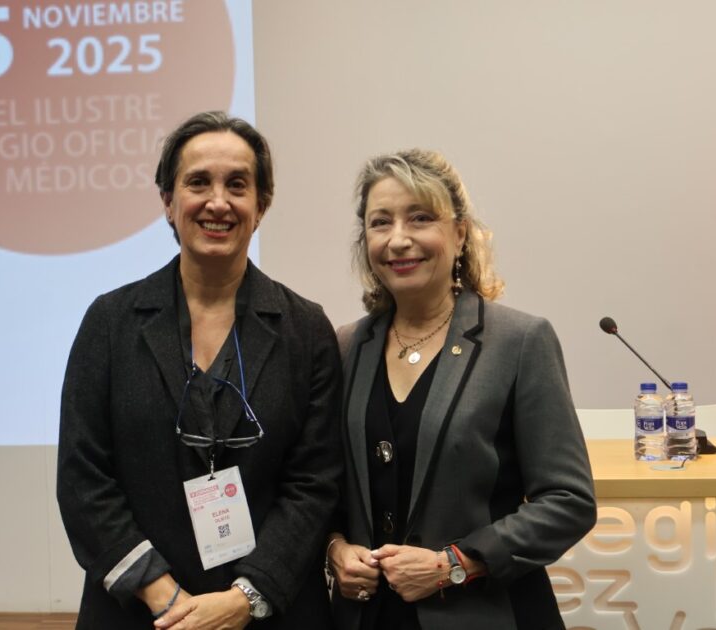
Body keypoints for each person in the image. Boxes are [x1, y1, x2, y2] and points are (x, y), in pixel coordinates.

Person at [58, 111, 342, 630]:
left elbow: (315, 483)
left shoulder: (306, 329)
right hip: (140, 614)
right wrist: (165, 598)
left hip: (268, 613)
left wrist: (243, 600)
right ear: (168, 201)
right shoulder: (111, 323)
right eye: (198, 183)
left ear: (262, 205)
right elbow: (83, 480)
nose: (218, 202)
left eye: (237, 184)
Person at [327, 149, 596, 630]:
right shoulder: (347, 346)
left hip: (485, 614)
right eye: (380, 222)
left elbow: (568, 501)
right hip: (368, 617)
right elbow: (324, 487)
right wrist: (334, 549)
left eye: (420, 218)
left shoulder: (519, 341)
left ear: (460, 233)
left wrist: (454, 564)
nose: (399, 239)